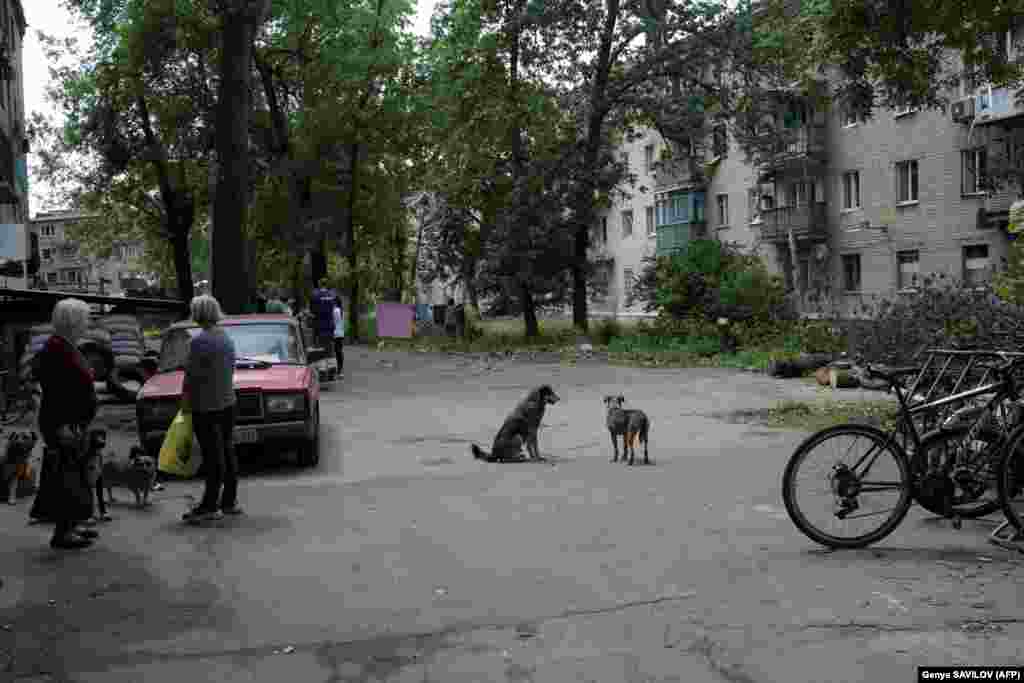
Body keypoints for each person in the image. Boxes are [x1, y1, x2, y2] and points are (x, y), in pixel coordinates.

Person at [30, 298, 99, 549]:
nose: (88, 323)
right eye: (85, 319)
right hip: (63, 423)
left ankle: (72, 524)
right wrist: (65, 425)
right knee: (65, 476)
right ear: (73, 322)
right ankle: (63, 532)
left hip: (70, 422)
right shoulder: (57, 349)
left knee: (75, 474)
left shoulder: (64, 345)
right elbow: (58, 392)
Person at [181, 295, 240, 523]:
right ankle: (229, 501)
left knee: (212, 456)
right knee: (227, 450)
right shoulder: (226, 338)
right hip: (228, 402)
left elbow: (191, 377)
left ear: (198, 314)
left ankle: (208, 506)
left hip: (205, 406)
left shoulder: (198, 341)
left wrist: (185, 402)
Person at [332, 297, 345, 379]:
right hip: (340, 333)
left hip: (335, 333)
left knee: (336, 352)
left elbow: (333, 321)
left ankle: (337, 371)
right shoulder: (341, 310)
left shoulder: (335, 310)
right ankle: (340, 370)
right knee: (339, 351)